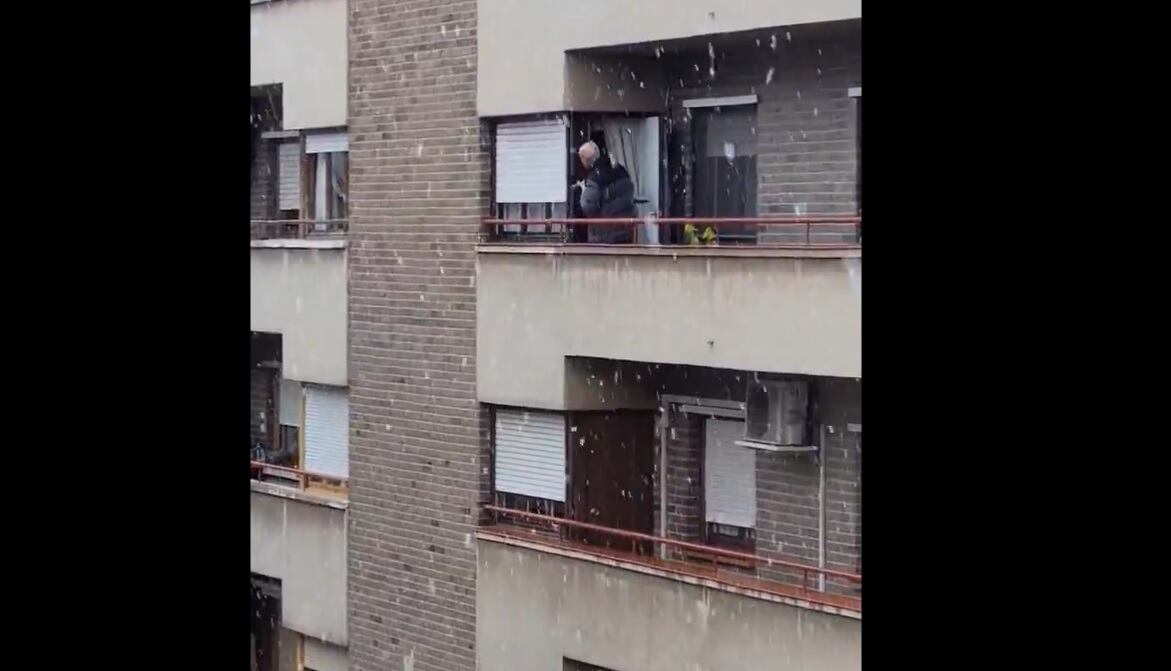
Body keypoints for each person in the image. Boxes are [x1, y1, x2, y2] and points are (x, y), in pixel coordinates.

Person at [577, 141, 636, 242]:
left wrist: (584, 191)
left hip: (603, 235)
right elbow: (629, 193)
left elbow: (588, 205)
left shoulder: (594, 177)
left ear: (585, 160)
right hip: (625, 231)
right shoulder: (621, 170)